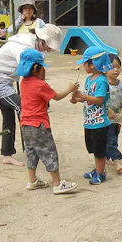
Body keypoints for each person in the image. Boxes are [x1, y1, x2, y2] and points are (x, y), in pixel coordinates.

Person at [0, 24, 63, 167]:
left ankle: (7, 153)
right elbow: (28, 74)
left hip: (5, 82)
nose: (49, 50)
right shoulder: (25, 48)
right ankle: (33, 145)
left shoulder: (31, 44)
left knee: (8, 117)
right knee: (23, 107)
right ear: (43, 41)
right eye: (49, 46)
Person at [16, 49, 79, 195]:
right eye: (42, 67)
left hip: (25, 124)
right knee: (49, 151)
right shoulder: (40, 84)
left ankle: (32, 180)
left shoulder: (24, 82)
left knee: (31, 151)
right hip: (39, 125)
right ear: (37, 68)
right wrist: (70, 89)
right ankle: (57, 184)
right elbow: (56, 97)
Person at [71, 47, 113, 185]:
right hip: (89, 121)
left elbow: (99, 99)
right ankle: (97, 169)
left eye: (85, 63)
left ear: (92, 64)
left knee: (99, 150)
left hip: (99, 121)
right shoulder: (89, 79)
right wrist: (77, 99)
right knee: (93, 148)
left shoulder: (101, 80)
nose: (83, 65)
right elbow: (89, 97)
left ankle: (101, 173)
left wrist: (82, 95)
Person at [105, 54, 122, 173]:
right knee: (111, 139)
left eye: (118, 67)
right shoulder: (103, 84)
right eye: (112, 67)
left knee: (113, 138)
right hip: (105, 119)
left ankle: (106, 157)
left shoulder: (121, 85)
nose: (116, 70)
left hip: (117, 119)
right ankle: (116, 162)